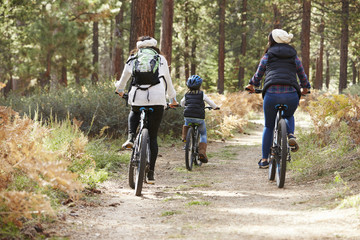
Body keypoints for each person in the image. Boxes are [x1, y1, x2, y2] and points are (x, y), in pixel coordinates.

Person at [115, 36, 178, 183]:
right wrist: (172, 99)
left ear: (139, 47)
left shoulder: (133, 57)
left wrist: (119, 90)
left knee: (134, 111)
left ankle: (131, 137)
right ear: (154, 46)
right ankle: (151, 174)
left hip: (137, 95)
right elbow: (168, 80)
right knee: (153, 137)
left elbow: (124, 78)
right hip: (157, 98)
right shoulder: (160, 59)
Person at [245, 29, 311, 169]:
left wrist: (252, 85)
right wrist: (305, 88)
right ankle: (290, 134)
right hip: (292, 94)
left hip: (271, 94)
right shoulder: (294, 56)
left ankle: (264, 160)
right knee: (289, 115)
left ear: (272, 40)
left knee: (269, 126)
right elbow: (302, 75)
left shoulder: (268, 55)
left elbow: (259, 74)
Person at [180, 75, 220, 163]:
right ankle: (202, 152)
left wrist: (185, 105)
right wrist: (215, 107)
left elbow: (182, 103)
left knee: (187, 121)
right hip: (199, 117)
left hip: (188, 115)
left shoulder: (186, 94)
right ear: (199, 85)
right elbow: (211, 103)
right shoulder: (202, 94)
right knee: (203, 134)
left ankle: (185, 139)